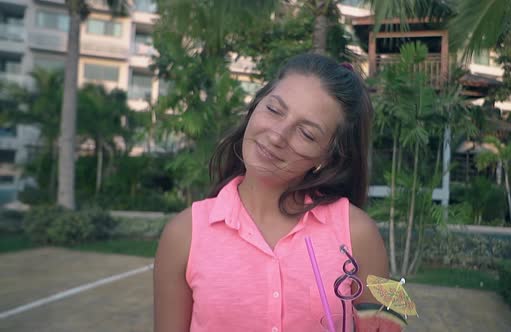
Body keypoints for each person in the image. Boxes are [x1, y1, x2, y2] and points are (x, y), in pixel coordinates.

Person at [154, 53, 403, 331]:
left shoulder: (359, 235)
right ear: (256, 104)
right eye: (274, 110)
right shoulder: (183, 234)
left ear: (328, 157)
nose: (276, 136)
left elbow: (390, 322)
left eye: (307, 134)